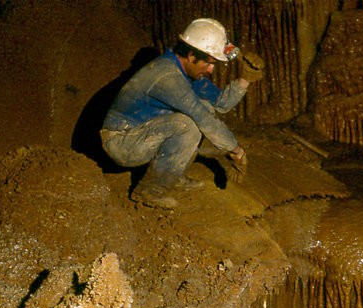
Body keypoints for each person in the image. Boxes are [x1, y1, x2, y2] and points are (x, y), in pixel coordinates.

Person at [100, 18, 264, 208]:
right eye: (209, 63)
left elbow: (221, 105)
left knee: (205, 110)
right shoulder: (168, 75)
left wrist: (245, 79)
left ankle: (172, 175)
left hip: (143, 132)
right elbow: (203, 119)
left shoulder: (186, 69)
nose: (211, 69)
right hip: (122, 141)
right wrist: (236, 150)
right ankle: (150, 191)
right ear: (191, 55)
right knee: (189, 125)